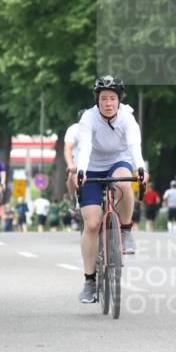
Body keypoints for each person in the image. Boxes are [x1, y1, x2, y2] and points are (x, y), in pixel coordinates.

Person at [70, 75, 148, 303]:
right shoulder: (88, 118)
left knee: (124, 182)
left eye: (112, 98)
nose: (108, 103)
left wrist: (141, 168)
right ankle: (89, 281)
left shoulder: (127, 118)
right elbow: (84, 147)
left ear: (119, 100)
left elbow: (134, 146)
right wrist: (81, 171)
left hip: (118, 161)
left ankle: (124, 229)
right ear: (98, 100)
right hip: (92, 166)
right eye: (103, 98)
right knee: (92, 223)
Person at [63, 110, 86, 201]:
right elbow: (68, 148)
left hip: (97, 162)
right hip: (78, 162)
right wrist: (70, 164)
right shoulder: (74, 130)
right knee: (70, 177)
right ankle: (74, 199)